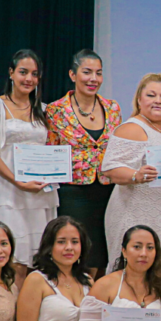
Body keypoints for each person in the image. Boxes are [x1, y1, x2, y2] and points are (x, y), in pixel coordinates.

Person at [0, 49, 57, 264]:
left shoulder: (46, 110)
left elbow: (53, 150)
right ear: (11, 73)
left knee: (37, 254)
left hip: (38, 192)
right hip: (5, 190)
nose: (29, 79)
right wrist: (18, 181)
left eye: (34, 74)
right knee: (7, 254)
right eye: (23, 72)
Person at [48, 49, 121, 274]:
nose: (93, 79)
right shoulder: (56, 110)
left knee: (102, 252)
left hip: (107, 189)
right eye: (87, 72)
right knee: (74, 250)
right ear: (73, 75)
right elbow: (50, 149)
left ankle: (97, 294)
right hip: (73, 192)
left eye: (98, 73)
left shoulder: (112, 108)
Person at [103, 73, 161, 267]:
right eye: (151, 95)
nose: (158, 101)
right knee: (134, 268)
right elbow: (110, 168)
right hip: (134, 212)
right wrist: (135, 175)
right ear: (139, 100)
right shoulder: (132, 128)